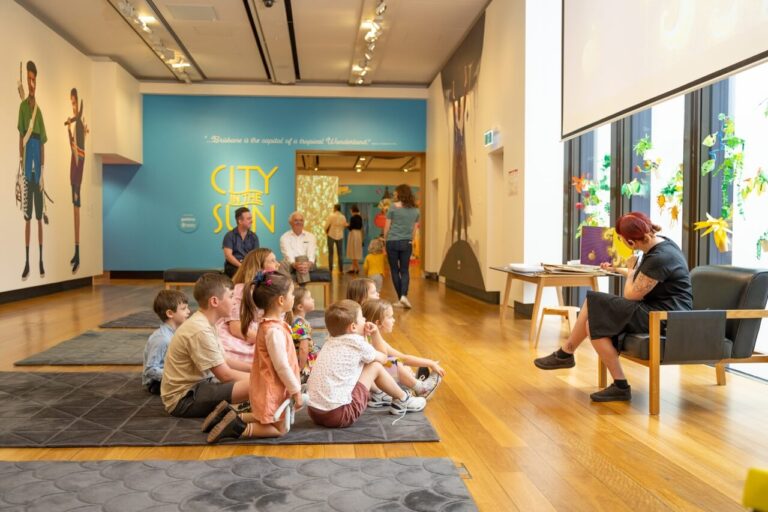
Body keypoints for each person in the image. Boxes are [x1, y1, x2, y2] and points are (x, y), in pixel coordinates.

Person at [533, 212, 693, 402]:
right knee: (591, 322)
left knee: (594, 302)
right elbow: (645, 278)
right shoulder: (661, 244)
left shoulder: (660, 258)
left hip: (665, 316)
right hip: (655, 309)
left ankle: (566, 353)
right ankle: (619, 385)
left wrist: (631, 270)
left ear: (631, 243)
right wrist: (615, 269)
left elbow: (631, 294)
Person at [205, 271, 302, 442]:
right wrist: (295, 390)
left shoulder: (267, 325)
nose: (294, 297)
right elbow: (282, 366)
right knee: (280, 428)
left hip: (266, 383)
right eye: (292, 294)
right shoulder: (274, 331)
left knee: (263, 417)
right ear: (281, 300)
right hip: (274, 386)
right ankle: (237, 428)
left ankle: (230, 415)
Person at [306, 300, 426, 428]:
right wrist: (375, 333)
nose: (365, 319)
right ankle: (403, 400)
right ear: (353, 327)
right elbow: (384, 358)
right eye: (362, 317)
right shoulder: (357, 343)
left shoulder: (330, 341)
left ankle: (380, 394)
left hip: (314, 412)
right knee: (375, 366)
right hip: (339, 415)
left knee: (364, 365)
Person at [161, 273, 250, 418]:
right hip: (184, 400)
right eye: (231, 296)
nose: (235, 302)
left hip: (201, 386)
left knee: (262, 382)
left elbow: (224, 360)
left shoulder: (206, 322)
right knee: (262, 385)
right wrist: (263, 377)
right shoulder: (200, 329)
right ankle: (235, 414)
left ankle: (237, 410)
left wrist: (256, 367)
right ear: (214, 301)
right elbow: (226, 375)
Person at [361, 299, 443, 403]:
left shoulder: (368, 338)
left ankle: (412, 382)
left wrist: (427, 363)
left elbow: (402, 358)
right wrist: (430, 363)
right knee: (394, 362)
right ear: (378, 323)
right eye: (390, 317)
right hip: (369, 383)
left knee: (398, 363)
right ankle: (422, 388)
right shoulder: (371, 340)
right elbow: (402, 359)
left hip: (369, 380)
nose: (394, 320)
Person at [216, 248, 279, 365]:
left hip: (258, 333)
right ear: (259, 267)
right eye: (272, 261)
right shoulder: (241, 290)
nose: (278, 264)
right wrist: (266, 340)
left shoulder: (268, 291)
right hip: (241, 336)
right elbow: (236, 328)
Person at [18, 60, 47, 279]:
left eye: (33, 79)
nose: (31, 83)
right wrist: (21, 161)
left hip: (38, 171)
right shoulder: (22, 108)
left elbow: (42, 142)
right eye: (29, 79)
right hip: (27, 170)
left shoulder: (39, 112)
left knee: (39, 217)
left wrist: (43, 170)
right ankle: (27, 261)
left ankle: (40, 260)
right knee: (27, 217)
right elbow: (22, 136)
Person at [143, 290, 190, 394]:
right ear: (170, 313)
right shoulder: (162, 339)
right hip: (156, 382)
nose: (188, 311)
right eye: (183, 309)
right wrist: (178, 375)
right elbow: (150, 370)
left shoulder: (176, 333)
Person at [384, 184, 420, 308]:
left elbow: (387, 226)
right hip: (407, 242)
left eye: (395, 193)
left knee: (394, 270)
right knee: (404, 270)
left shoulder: (393, 207)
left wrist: (385, 240)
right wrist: (410, 240)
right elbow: (414, 230)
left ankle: (401, 298)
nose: (394, 195)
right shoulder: (416, 210)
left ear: (400, 193)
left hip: (392, 242)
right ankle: (403, 297)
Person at [66, 87, 88, 273]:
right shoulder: (75, 123)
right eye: (71, 103)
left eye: (74, 102)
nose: (73, 106)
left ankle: (78, 250)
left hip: (77, 167)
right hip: (74, 167)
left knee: (77, 208)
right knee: (74, 208)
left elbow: (81, 151)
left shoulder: (78, 124)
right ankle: (76, 250)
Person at [287, 286, 319, 382]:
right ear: (300, 306)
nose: (313, 300)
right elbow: (303, 349)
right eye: (309, 298)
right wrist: (300, 368)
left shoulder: (296, 320)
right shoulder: (300, 324)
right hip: (305, 364)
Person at [279, 211, 317, 284]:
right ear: (290, 223)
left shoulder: (311, 236)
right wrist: (295, 264)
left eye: (301, 220)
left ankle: (301, 291)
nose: (299, 222)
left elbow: (311, 254)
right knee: (282, 265)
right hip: (291, 263)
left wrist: (307, 264)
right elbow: (288, 255)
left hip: (308, 263)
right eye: (296, 220)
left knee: (302, 260)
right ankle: (300, 291)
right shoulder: (284, 237)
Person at [222, 207, 260, 278]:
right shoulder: (229, 236)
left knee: (260, 276)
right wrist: (242, 266)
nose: (252, 221)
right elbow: (228, 256)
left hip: (249, 266)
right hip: (233, 267)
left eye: (251, 218)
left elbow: (256, 256)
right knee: (242, 275)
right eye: (248, 219)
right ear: (240, 221)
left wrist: (249, 267)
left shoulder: (254, 237)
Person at [324, 204, 347, 274]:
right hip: (340, 236)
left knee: (331, 253)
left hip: (331, 235)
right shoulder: (343, 217)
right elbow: (344, 225)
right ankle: (341, 270)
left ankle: (330, 269)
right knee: (340, 254)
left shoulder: (331, 216)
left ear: (335, 208)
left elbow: (326, 226)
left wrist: (326, 231)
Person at [346, 205, 364, 274]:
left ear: (353, 211)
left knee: (353, 251)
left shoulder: (352, 218)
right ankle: (353, 268)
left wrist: (347, 225)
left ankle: (357, 268)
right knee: (355, 251)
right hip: (358, 234)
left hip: (353, 234)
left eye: (351, 211)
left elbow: (350, 228)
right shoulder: (360, 217)